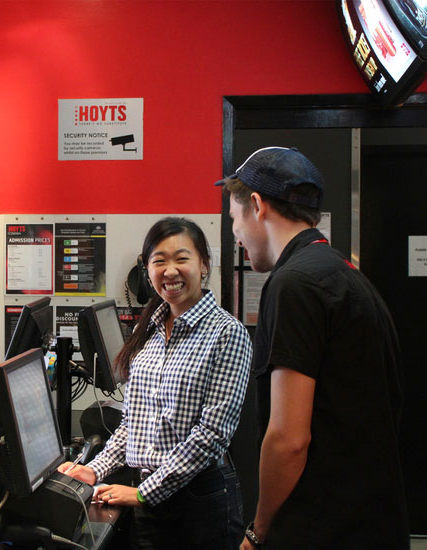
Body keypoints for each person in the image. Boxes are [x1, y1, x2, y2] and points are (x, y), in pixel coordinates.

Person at [217, 147, 409, 549]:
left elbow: (289, 438)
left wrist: (258, 528)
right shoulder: (346, 274)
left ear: (256, 205)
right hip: (370, 521)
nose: (235, 233)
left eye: (234, 220)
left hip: (322, 529)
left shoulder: (293, 285)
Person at [60, 217, 252, 550]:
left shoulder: (227, 333)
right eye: (159, 261)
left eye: (181, 258)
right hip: (149, 502)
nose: (170, 271)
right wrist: (94, 470)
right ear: (147, 269)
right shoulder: (148, 327)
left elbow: (212, 435)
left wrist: (143, 493)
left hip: (199, 503)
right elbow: (133, 421)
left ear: (204, 264)